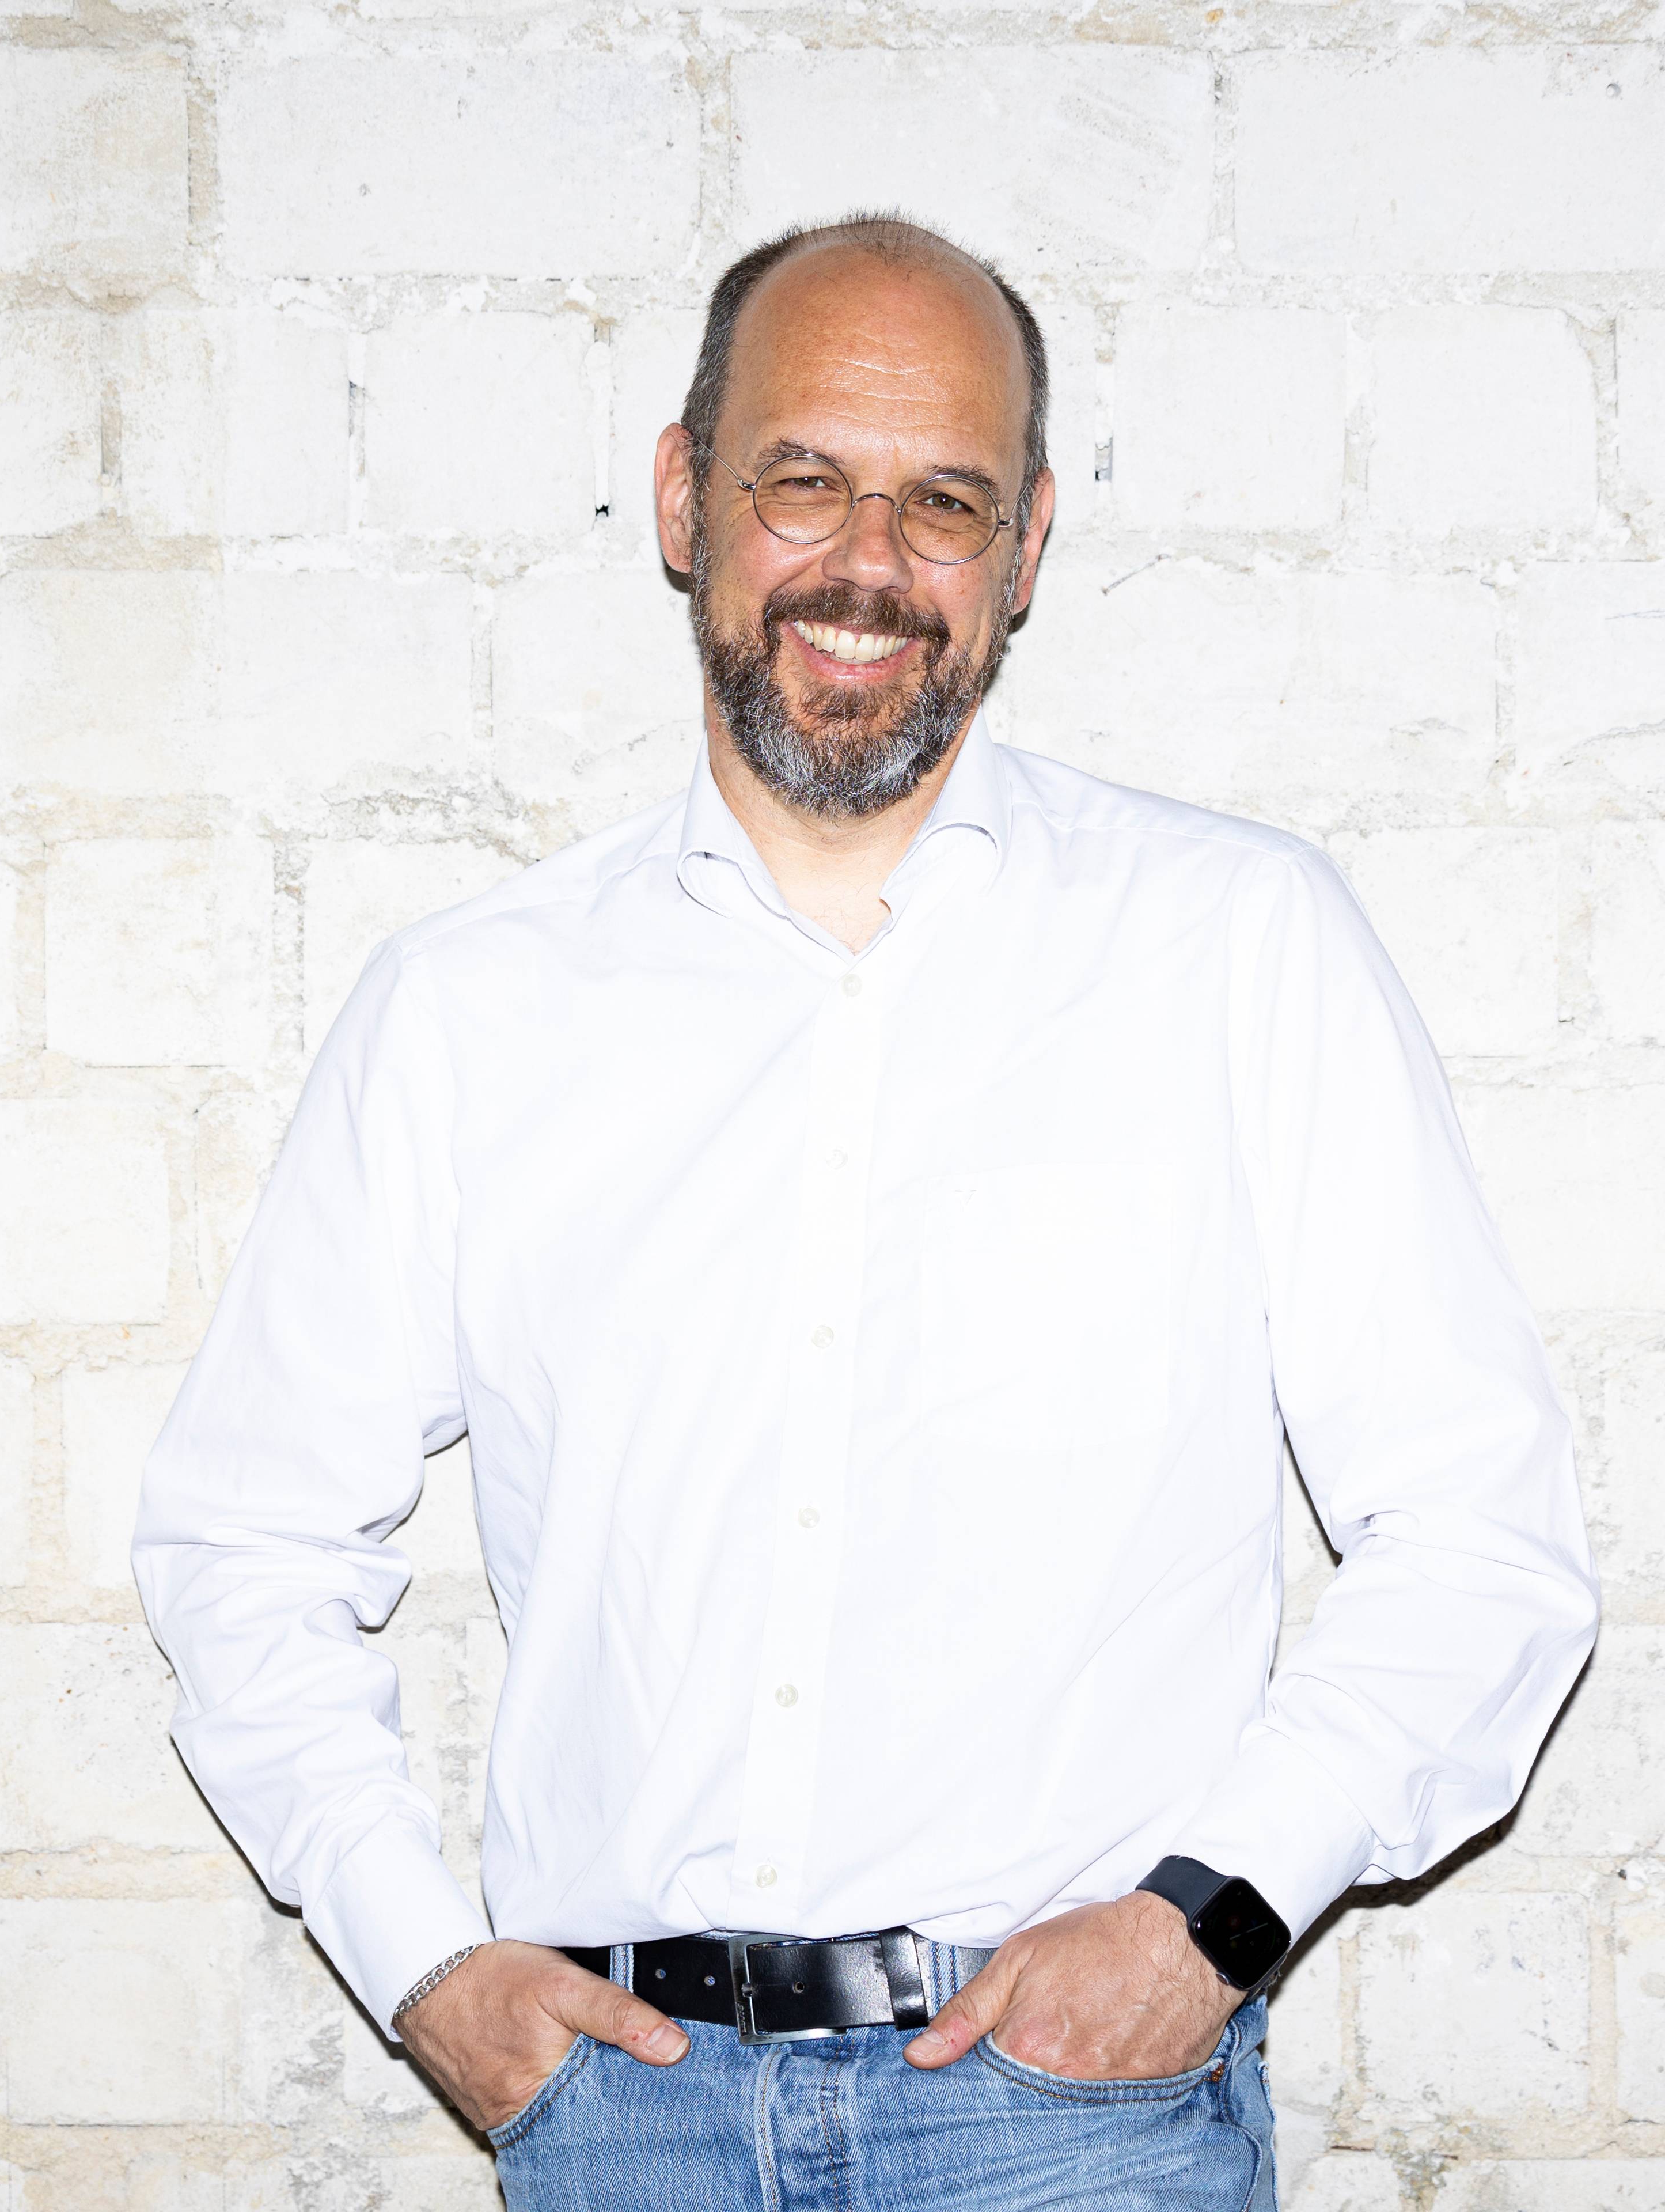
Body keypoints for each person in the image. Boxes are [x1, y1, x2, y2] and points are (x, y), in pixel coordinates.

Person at [132, 214, 1598, 2209]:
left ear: (1027, 545)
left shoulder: (1238, 948)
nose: (866, 565)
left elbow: (1479, 1542)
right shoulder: (472, 1011)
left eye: (943, 501)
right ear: (683, 495)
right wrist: (426, 1973)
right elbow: (245, 1537)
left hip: (1071, 2123)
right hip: (621, 2124)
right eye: (803, 480)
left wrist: (1210, 1930)